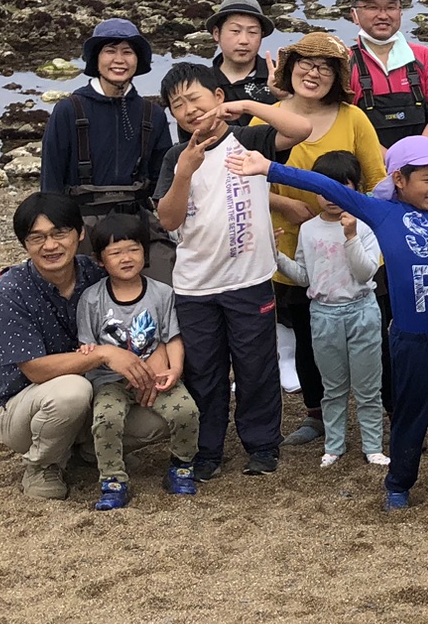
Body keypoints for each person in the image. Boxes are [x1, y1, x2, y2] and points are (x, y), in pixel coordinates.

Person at [231, 136, 428, 520]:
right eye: (426, 179)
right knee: (412, 418)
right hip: (414, 340)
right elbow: (326, 187)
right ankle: (398, 484)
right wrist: (267, 168)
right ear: (399, 179)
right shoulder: (379, 213)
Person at [155, 63, 314, 478]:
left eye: (196, 98)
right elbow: (168, 221)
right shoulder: (174, 156)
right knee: (203, 371)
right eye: (178, 105)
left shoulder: (250, 139)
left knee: (255, 366)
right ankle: (205, 450)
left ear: (219, 98)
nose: (189, 110)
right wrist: (185, 171)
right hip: (195, 286)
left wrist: (246, 105)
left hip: (249, 280)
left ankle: (262, 445)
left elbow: (300, 129)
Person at [265, 32, 387, 445]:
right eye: (305, 64)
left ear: (338, 76)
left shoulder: (354, 118)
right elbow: (242, 177)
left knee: (372, 334)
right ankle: (316, 414)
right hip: (291, 245)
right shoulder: (266, 116)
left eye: (324, 67)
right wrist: (286, 207)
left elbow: (378, 182)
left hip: (354, 244)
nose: (313, 73)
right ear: (289, 69)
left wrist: (363, 226)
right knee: (305, 332)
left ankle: (384, 412)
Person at [0, 193, 108, 499]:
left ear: (80, 233)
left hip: (96, 391)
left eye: (59, 233)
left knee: (162, 412)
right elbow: (36, 370)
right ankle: (42, 465)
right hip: (22, 407)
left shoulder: (98, 274)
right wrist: (103, 355)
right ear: (25, 244)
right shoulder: (8, 291)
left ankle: (90, 449)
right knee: (71, 392)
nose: (50, 246)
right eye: (36, 237)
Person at [77, 213, 201, 509]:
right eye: (115, 252)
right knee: (106, 418)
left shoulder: (162, 293)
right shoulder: (92, 299)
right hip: (110, 380)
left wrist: (175, 369)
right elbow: (86, 346)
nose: (126, 258)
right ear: (99, 260)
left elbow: (172, 337)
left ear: (145, 252)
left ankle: (181, 466)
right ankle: (113, 480)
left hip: (156, 374)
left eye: (133, 249)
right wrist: (91, 353)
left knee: (187, 411)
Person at [272, 152, 387, 470]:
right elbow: (305, 277)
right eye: (324, 189)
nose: (332, 197)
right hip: (323, 314)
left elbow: (366, 273)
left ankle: (373, 445)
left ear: (354, 187)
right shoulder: (308, 229)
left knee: (367, 386)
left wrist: (350, 238)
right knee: (333, 387)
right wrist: (277, 256)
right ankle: (334, 445)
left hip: (362, 309)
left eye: (341, 187)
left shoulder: (365, 225)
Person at [39, 17, 176, 234]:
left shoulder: (154, 115)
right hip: (80, 224)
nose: (119, 60)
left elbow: (163, 182)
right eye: (110, 51)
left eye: (127, 52)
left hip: (136, 224)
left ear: (138, 60)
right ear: (96, 58)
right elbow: (51, 182)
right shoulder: (68, 110)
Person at [345, 0, 428, 148]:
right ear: (354, 15)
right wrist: (389, 161)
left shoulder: (423, 57)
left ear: (400, 12)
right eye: (372, 7)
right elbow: (343, 123)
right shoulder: (345, 62)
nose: (383, 15)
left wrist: (418, 155)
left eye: (390, 7)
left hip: (420, 162)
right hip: (370, 165)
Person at [206, 0, 275, 106]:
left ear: (261, 35)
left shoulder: (279, 76)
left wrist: (285, 97)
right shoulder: (204, 82)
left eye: (252, 32)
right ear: (216, 33)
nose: (244, 40)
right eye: (235, 31)